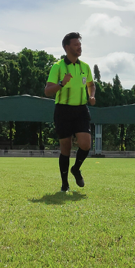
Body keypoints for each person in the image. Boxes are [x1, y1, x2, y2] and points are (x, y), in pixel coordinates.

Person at [44, 32, 96, 192]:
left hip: (81, 109)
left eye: (80, 45)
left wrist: (91, 95)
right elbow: (47, 91)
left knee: (86, 144)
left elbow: (91, 84)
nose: (79, 47)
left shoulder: (85, 66)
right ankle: (64, 184)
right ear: (67, 47)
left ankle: (76, 169)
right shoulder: (58, 66)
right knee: (65, 148)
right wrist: (61, 83)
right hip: (63, 111)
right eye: (76, 45)